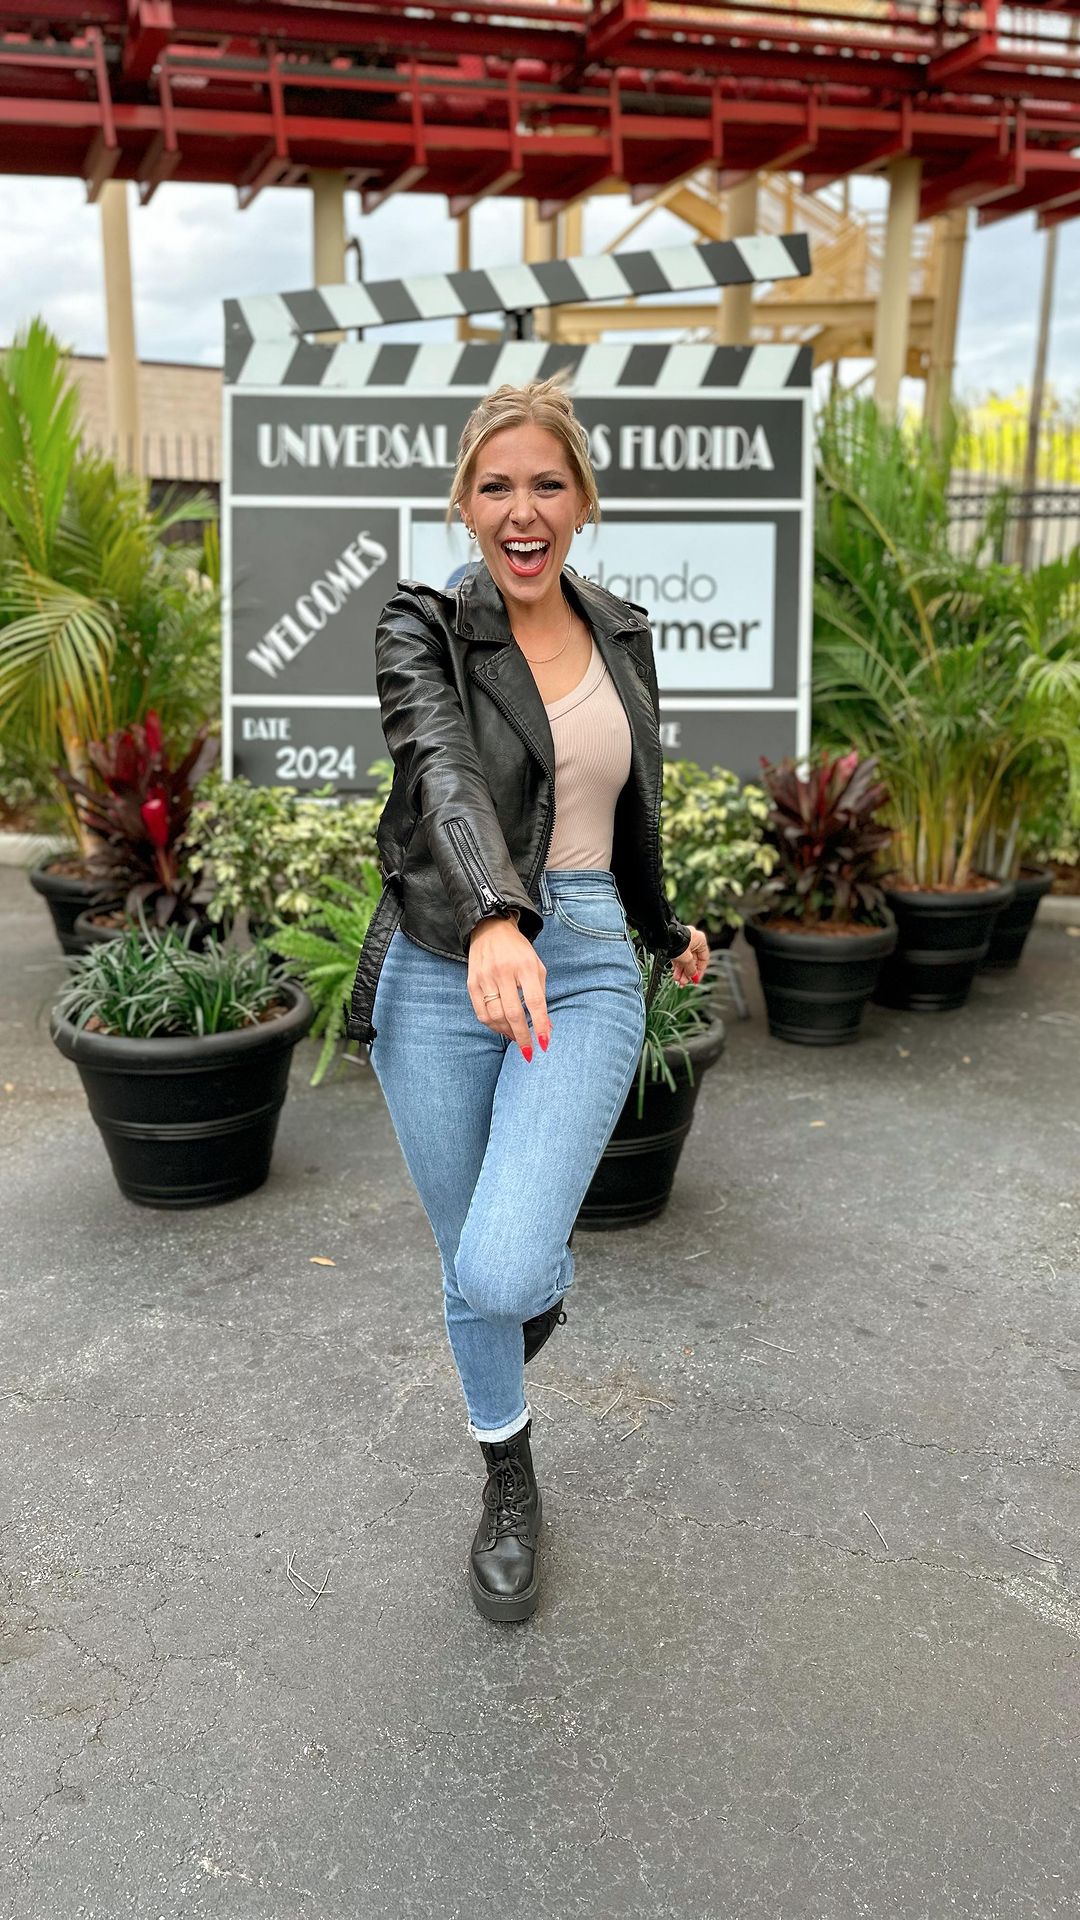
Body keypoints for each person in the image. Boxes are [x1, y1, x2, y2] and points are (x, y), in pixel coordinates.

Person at [346, 377, 709, 1623]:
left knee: (502, 1273)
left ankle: (524, 1301)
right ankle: (509, 1473)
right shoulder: (422, 626)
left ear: (582, 501)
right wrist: (495, 915)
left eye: (547, 483)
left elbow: (628, 808)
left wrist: (662, 925)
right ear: (464, 502)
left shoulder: (623, 633)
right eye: (496, 485)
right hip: (443, 960)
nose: (522, 508)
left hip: (588, 957)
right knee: (468, 1266)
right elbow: (442, 768)